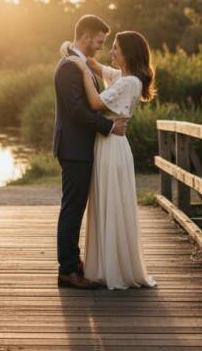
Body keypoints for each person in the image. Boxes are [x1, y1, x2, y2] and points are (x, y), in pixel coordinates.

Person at [62, 30, 158, 290]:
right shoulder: (123, 77)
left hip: (112, 146)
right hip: (109, 144)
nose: (111, 51)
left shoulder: (129, 83)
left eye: (116, 48)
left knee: (111, 202)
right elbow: (99, 66)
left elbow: (94, 103)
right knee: (106, 203)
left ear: (128, 52)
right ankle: (106, 263)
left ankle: (113, 268)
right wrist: (73, 52)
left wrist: (82, 70)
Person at [52, 15, 128, 289]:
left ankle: (74, 263)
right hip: (74, 148)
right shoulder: (69, 68)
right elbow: (76, 111)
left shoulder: (79, 64)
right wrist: (109, 127)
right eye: (100, 39)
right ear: (86, 36)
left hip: (80, 147)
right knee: (72, 208)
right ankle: (67, 270)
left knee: (75, 207)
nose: (101, 45)